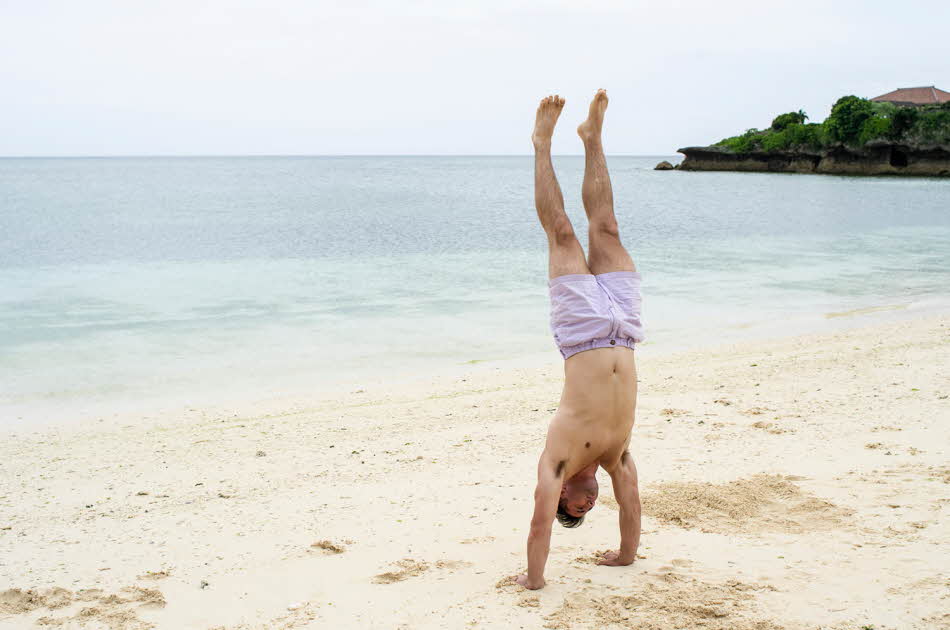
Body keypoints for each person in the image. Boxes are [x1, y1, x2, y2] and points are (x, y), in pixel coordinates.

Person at [515, 90, 645, 591]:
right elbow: (631, 504)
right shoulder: (617, 458)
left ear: (564, 490)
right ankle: (592, 139)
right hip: (627, 329)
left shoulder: (558, 460)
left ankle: (542, 144)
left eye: (577, 506)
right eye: (588, 509)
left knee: (564, 234)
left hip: (582, 332)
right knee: (607, 228)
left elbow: (537, 524)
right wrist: (627, 555)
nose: (587, 504)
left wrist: (534, 580)